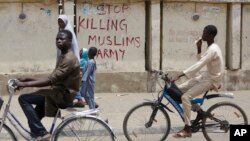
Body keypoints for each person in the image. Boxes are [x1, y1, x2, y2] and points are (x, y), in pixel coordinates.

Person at [16, 30, 81, 141]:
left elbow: (51, 80)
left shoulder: (69, 58)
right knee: (33, 120)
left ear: (70, 41)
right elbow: (51, 77)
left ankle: (43, 133)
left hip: (62, 95)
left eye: (62, 39)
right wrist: (28, 78)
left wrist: (25, 84)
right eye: (57, 39)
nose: (59, 40)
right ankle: (39, 134)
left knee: (23, 99)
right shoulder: (63, 56)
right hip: (57, 92)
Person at [172, 25, 224, 138]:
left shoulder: (213, 49)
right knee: (178, 90)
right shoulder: (210, 47)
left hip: (211, 79)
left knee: (185, 97)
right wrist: (199, 49)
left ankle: (187, 128)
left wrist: (180, 74)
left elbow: (199, 64)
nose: (202, 35)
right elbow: (202, 61)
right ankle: (200, 112)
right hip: (206, 76)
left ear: (210, 35)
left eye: (204, 33)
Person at [58, 14, 84, 107]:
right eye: (58, 22)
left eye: (61, 21)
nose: (59, 23)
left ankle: (76, 99)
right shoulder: (63, 31)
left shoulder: (68, 32)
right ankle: (78, 98)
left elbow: (72, 47)